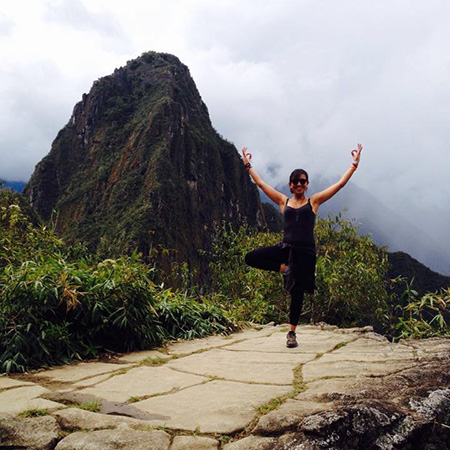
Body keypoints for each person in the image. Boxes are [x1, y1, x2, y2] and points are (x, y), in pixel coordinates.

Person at [242, 144, 363, 348]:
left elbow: (340, 185)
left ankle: (292, 333)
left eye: (302, 181)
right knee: (250, 257)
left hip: (305, 253)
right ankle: (283, 268)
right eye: (295, 181)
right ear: (290, 185)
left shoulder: (314, 202)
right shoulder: (283, 201)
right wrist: (248, 166)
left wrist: (354, 165)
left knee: (297, 294)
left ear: (307, 185)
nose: (299, 184)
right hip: (286, 249)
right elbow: (261, 184)